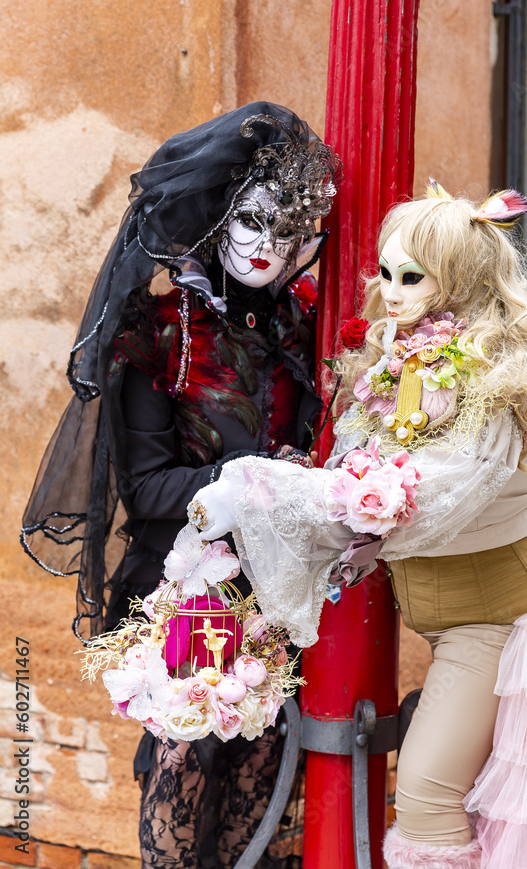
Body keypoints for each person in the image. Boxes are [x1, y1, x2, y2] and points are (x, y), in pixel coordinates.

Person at [188, 182, 527, 869]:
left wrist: (259, 488)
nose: (390, 292)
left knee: (430, 796)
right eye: (384, 273)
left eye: (411, 277)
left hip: (517, 621)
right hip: (459, 617)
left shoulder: (496, 381)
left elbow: (417, 497)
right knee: (487, 808)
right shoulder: (402, 360)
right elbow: (359, 472)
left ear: (463, 281)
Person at [21, 101, 341, 869]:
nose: (271, 248)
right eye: (255, 223)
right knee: (184, 771)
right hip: (186, 595)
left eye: (292, 231)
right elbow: (152, 490)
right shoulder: (162, 333)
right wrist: (255, 480)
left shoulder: (302, 328)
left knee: (262, 782)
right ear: (219, 217)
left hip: (283, 595)